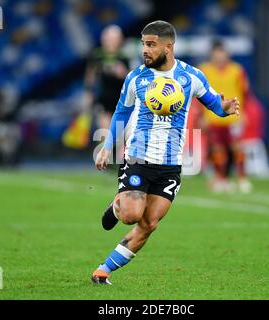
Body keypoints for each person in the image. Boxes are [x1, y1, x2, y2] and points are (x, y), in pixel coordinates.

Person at [91, 21, 240, 285]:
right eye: (143, 44)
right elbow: (122, 112)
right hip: (138, 158)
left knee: (149, 224)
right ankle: (117, 208)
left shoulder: (190, 76)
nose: (145, 50)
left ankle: (103, 271)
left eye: (150, 45)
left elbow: (214, 103)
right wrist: (107, 146)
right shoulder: (136, 77)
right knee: (131, 215)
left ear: (168, 47)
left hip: (170, 165)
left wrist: (224, 107)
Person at [199, 41, 252, 193]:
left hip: (233, 116)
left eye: (222, 56)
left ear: (227, 55)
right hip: (212, 116)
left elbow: (245, 92)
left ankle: (242, 178)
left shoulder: (237, 70)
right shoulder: (204, 70)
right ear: (212, 56)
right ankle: (221, 178)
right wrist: (201, 116)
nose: (220, 59)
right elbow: (198, 95)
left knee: (237, 147)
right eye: (217, 56)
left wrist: (245, 112)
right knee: (217, 150)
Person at [84, 24, 130, 133]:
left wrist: (123, 73)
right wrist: (88, 93)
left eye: (114, 39)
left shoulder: (125, 56)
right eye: (108, 38)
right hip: (104, 98)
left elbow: (133, 78)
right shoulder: (97, 55)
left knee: (119, 134)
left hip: (121, 99)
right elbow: (90, 76)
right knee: (105, 131)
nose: (110, 42)